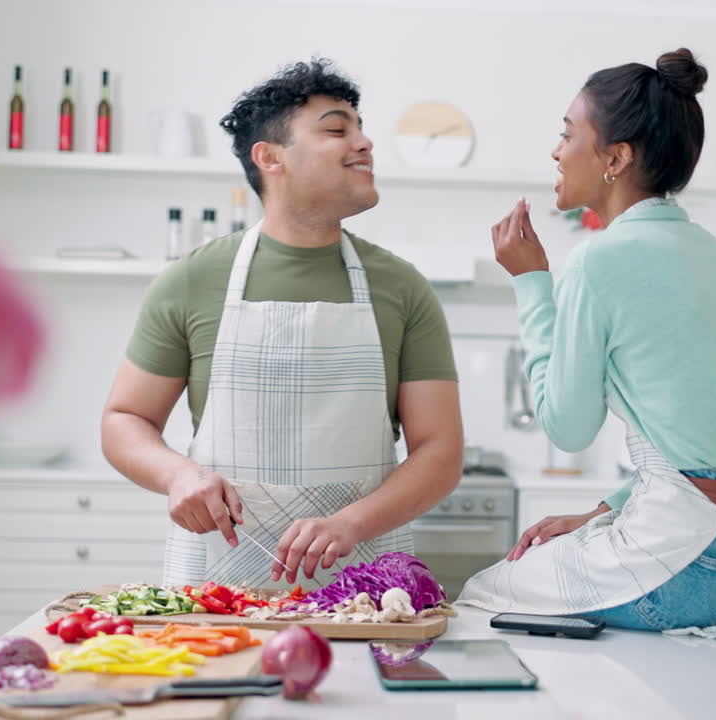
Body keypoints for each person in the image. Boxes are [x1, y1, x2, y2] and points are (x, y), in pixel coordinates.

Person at [457, 48, 716, 631]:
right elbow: (713, 453)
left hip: (680, 577)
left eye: (567, 134)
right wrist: (605, 510)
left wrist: (530, 282)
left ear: (615, 157)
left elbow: (567, 429)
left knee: (481, 594)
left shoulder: (599, 261)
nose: (555, 150)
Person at [101, 59, 463, 590]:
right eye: (338, 129)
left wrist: (350, 523)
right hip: (219, 588)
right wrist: (179, 474)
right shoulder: (191, 280)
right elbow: (124, 418)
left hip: (365, 582)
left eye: (361, 130)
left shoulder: (402, 287)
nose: (364, 143)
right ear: (270, 158)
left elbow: (441, 451)